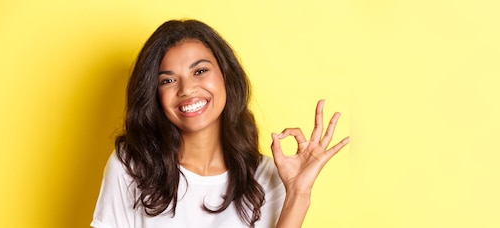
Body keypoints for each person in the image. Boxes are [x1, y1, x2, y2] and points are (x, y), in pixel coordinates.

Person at [91, 19, 349, 228]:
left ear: (226, 76)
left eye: (200, 71)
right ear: (154, 94)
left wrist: (299, 193)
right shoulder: (132, 166)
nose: (187, 89)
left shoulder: (267, 177)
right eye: (168, 80)